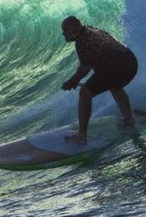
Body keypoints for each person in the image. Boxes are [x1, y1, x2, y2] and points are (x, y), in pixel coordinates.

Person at [59, 15, 139, 145]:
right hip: (131, 63)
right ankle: (129, 120)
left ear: (74, 30)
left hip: (118, 67)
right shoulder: (91, 30)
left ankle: (81, 136)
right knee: (114, 86)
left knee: (85, 93)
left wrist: (72, 82)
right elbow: (101, 58)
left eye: (65, 30)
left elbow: (85, 68)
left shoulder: (82, 41)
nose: (63, 33)